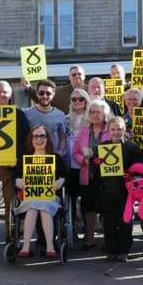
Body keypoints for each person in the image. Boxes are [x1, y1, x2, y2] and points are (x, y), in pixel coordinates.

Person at [0, 80, 30, 248]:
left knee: (9, 201)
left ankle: (9, 233)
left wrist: (18, 160)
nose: (1, 94)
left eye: (5, 91)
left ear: (10, 94)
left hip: (10, 165)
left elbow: (25, 138)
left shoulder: (19, 114)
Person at [14, 125, 67, 258]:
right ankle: (25, 247)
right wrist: (17, 180)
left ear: (48, 138)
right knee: (33, 207)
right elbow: (15, 175)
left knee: (43, 207)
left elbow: (67, 176)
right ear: (31, 139)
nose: (39, 139)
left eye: (42, 136)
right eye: (35, 136)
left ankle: (50, 246)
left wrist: (61, 180)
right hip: (30, 197)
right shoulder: (25, 158)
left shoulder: (55, 158)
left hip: (50, 198)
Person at [99, 117, 143, 262]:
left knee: (125, 221)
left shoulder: (132, 147)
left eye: (119, 129)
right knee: (109, 221)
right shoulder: (102, 147)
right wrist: (96, 163)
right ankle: (111, 249)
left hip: (125, 191)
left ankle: (124, 249)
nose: (116, 132)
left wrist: (131, 174)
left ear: (124, 129)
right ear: (108, 130)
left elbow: (138, 168)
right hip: (107, 190)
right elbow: (97, 171)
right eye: (113, 129)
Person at [72, 99, 113, 249]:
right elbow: (75, 153)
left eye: (98, 112)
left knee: (105, 208)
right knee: (89, 208)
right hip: (88, 175)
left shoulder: (110, 129)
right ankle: (90, 239)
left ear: (104, 113)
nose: (95, 115)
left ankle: (108, 239)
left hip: (107, 176)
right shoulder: (84, 131)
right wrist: (84, 160)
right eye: (92, 112)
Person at [123, 88, 143, 239]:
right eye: (129, 99)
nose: (132, 102)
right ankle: (129, 226)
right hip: (128, 161)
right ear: (125, 101)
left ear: (141, 101)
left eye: (135, 99)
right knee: (130, 193)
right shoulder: (121, 119)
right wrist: (124, 135)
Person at [65, 88, 91, 233]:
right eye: (74, 99)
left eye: (80, 99)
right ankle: (72, 228)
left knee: (86, 199)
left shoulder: (91, 118)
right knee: (72, 199)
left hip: (86, 164)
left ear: (86, 100)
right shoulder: (66, 119)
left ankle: (88, 230)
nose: (77, 101)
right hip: (71, 164)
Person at [23, 79, 67, 156]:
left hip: (53, 157)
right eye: (41, 93)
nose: (44, 96)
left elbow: (62, 136)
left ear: (53, 94)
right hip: (32, 158)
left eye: (48, 93)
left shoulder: (60, 115)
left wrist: (61, 151)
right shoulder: (27, 113)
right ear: (37, 93)